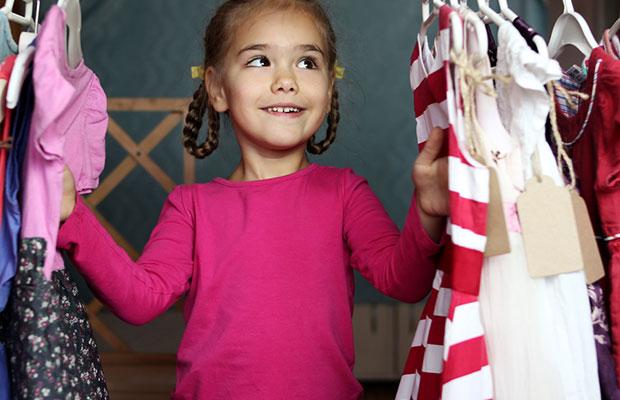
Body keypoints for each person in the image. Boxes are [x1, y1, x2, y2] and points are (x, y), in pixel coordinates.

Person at [58, 0, 449, 398]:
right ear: (217, 88)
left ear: (330, 88)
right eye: (260, 61)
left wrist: (428, 211)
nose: (286, 80)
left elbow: (405, 281)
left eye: (307, 63)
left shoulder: (345, 193)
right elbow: (139, 301)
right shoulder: (191, 207)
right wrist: (72, 214)